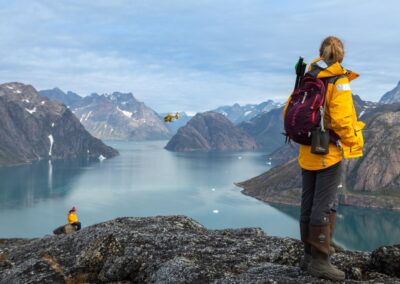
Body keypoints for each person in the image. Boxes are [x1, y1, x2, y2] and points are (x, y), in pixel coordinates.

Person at [284, 36, 365, 281]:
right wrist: (353, 142)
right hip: (327, 152)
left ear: (321, 53)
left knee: (308, 201)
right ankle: (320, 260)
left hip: (308, 149)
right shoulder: (338, 80)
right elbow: (341, 119)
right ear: (341, 55)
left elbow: (289, 108)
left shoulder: (309, 75)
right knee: (325, 203)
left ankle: (310, 253)